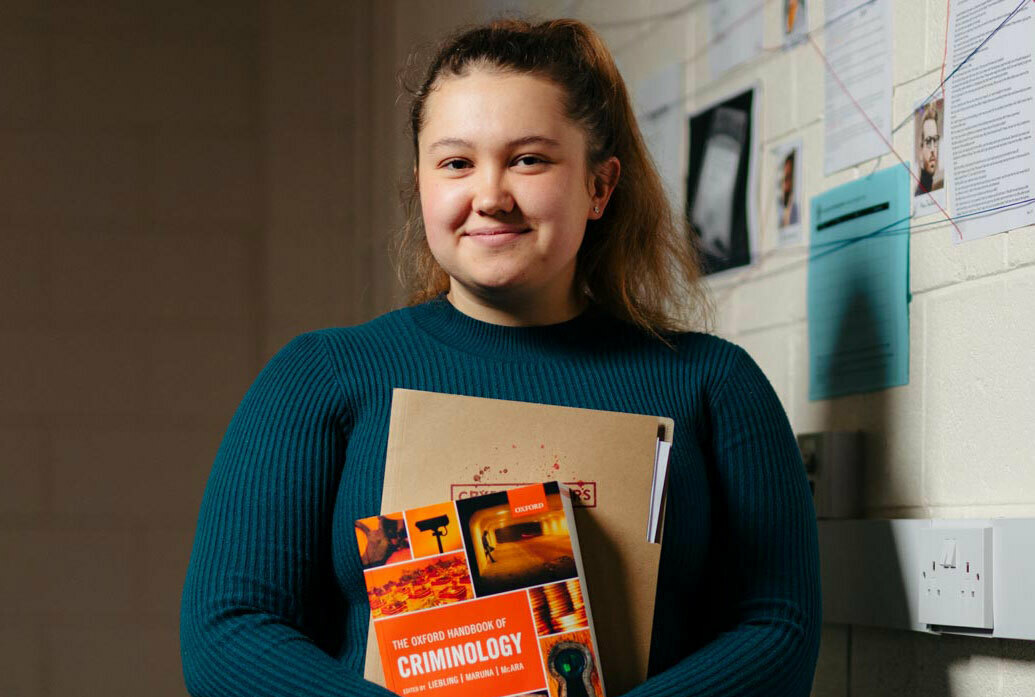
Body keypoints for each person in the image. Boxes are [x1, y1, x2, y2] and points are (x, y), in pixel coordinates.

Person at [180, 18, 821, 697]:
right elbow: (229, 632)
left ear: (599, 187)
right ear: (423, 181)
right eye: (456, 162)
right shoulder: (321, 378)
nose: (489, 195)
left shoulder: (713, 385)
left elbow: (777, 627)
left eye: (529, 159)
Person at [915, 102, 943, 196]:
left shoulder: (938, 186)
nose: (932, 149)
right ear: (920, 152)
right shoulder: (919, 194)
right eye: (928, 141)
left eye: (935, 140)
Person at [779, 150, 800, 227]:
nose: (785, 185)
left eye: (788, 178)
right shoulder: (781, 209)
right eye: (784, 179)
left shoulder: (794, 209)